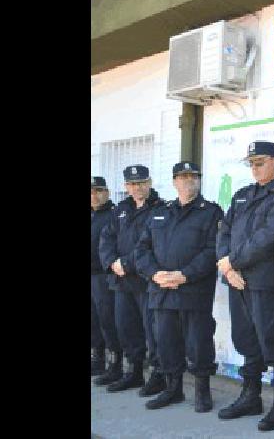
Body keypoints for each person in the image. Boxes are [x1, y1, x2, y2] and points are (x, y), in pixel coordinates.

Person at [215, 141, 274, 432]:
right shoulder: (242, 195)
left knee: (272, 339)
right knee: (245, 339)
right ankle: (251, 396)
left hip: (265, 281)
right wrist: (226, 265)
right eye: (251, 163)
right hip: (236, 279)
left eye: (260, 162)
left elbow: (269, 236)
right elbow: (223, 231)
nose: (255, 167)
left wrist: (231, 262)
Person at [135, 162, 224, 412]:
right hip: (162, 291)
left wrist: (184, 275)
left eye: (193, 177)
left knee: (199, 343)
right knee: (166, 342)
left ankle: (202, 391)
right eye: (183, 177)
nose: (188, 181)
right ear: (174, 182)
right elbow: (142, 249)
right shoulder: (160, 212)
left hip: (193, 291)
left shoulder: (211, 212)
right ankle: (173, 390)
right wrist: (155, 274)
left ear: (199, 180)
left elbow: (212, 251)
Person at [98, 165, 166, 395]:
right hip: (122, 283)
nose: (137, 188)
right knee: (126, 329)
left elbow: (152, 245)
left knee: (152, 332)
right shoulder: (121, 210)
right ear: (126, 186)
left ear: (150, 182)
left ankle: (158, 376)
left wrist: (125, 263)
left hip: (146, 282)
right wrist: (111, 262)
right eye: (132, 184)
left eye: (141, 183)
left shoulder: (160, 209)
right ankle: (134, 373)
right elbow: (106, 238)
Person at [91, 177, 120, 378]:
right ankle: (97, 358)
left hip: (103, 275)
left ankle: (115, 362)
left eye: (98, 190)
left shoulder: (115, 214)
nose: (94, 195)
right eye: (91, 191)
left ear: (107, 192)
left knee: (106, 319)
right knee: (92, 319)